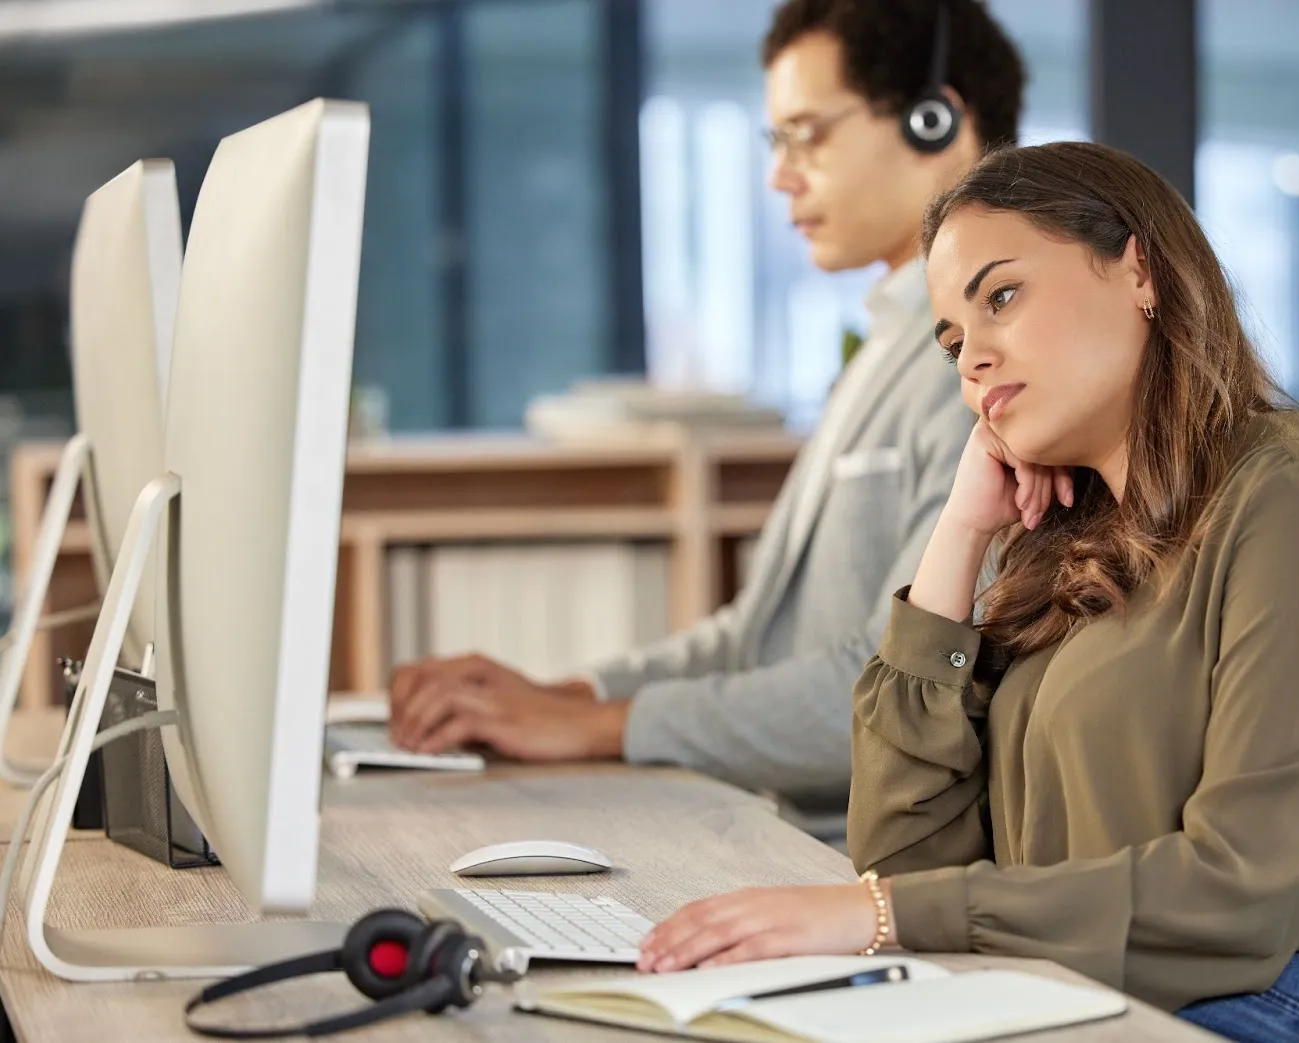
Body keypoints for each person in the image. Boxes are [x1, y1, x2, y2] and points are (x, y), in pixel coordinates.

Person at [630, 141, 1299, 1043]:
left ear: (1139, 271)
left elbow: (1242, 894)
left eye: (1002, 296)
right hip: (1105, 983)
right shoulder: (1066, 557)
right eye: (953, 340)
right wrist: (960, 536)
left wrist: (877, 917)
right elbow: (907, 858)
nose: (972, 361)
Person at [386, 0, 1027, 814]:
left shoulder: (977, 364)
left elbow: (888, 685)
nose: (780, 175)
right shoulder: (888, 347)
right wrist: (573, 694)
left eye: (809, 134)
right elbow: (757, 637)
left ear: (936, 121)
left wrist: (601, 725)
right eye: (777, 141)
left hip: (858, 851)